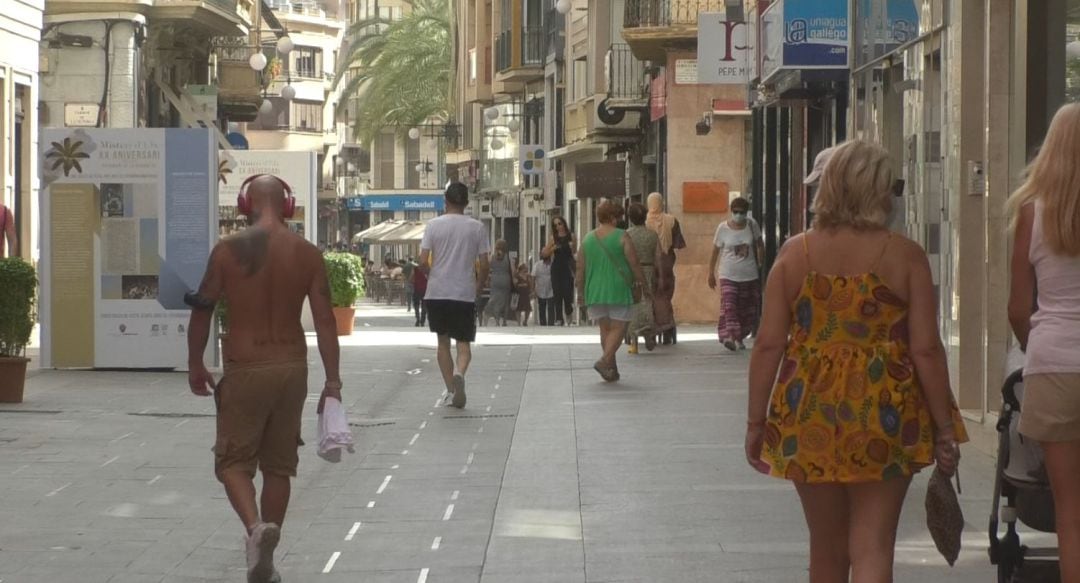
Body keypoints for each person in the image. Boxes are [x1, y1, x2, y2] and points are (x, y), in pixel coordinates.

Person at [745, 140, 967, 582]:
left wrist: (756, 423)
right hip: (885, 411)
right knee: (873, 546)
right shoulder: (904, 256)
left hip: (808, 411)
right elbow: (925, 349)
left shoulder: (794, 255)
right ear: (877, 190)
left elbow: (768, 344)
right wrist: (945, 427)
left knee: (825, 548)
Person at [185, 175, 342, 583]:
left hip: (246, 366)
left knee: (232, 462)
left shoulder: (227, 251)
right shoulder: (307, 253)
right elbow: (326, 323)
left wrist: (195, 363)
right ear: (287, 206)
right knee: (279, 466)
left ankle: (256, 531)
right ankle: (266, 554)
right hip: (292, 367)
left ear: (244, 204)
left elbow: (201, 310)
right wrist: (334, 383)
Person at [1007, 103, 1080, 583]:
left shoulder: (1031, 214)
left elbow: (1018, 307)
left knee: (1069, 510)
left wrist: (1036, 348)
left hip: (1053, 364)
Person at [419, 182, 490, 409]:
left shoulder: (433, 225)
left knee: (442, 343)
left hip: (437, 292)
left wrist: (433, 273)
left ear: (445, 201)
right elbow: (485, 264)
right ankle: (459, 372)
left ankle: (451, 389)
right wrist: (478, 286)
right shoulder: (477, 227)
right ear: (467, 203)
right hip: (463, 293)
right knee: (464, 345)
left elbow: (422, 260)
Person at [576, 201, 649, 382]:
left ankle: (611, 368)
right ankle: (604, 360)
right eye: (618, 217)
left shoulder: (587, 239)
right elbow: (634, 263)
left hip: (594, 290)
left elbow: (580, 269)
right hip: (618, 288)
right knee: (619, 327)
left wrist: (580, 293)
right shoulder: (622, 236)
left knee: (605, 328)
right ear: (612, 218)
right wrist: (644, 284)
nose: (620, 220)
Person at [708, 197, 764, 351]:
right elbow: (715, 251)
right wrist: (710, 273)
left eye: (742, 212)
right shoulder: (722, 228)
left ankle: (739, 337)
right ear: (731, 211)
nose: (738, 215)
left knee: (746, 308)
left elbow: (760, 244)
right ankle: (732, 336)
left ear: (746, 212)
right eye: (735, 212)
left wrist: (760, 260)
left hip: (749, 275)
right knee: (730, 306)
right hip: (727, 274)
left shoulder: (752, 225)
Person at [645, 192, 686, 344]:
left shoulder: (643, 221)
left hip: (649, 266)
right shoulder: (672, 221)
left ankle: (651, 328)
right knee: (665, 297)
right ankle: (667, 327)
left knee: (650, 298)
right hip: (667, 264)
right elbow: (678, 244)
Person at [626, 203, 661, 353]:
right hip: (649, 270)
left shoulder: (627, 234)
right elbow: (658, 256)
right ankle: (649, 333)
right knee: (647, 302)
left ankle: (633, 341)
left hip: (631, 272)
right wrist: (658, 274)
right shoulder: (652, 235)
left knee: (633, 303)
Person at [543, 216, 576, 326]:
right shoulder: (553, 238)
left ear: (564, 224)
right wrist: (553, 248)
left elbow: (573, 252)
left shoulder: (571, 236)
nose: (558, 227)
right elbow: (545, 253)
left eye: (560, 224)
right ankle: (559, 319)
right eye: (555, 225)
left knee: (567, 293)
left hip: (566, 267)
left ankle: (569, 314)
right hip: (556, 268)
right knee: (557, 293)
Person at [484, 240, 513, 327]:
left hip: (495, 280)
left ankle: (496, 320)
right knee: (505, 300)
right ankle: (504, 321)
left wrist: (487, 280)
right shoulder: (508, 257)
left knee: (494, 299)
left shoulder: (492, 257)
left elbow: (487, 268)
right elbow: (513, 270)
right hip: (505, 280)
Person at [532, 254, 556, 326]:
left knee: (551, 307)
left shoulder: (553, 265)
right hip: (540, 290)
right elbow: (533, 277)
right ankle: (543, 323)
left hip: (551, 289)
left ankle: (551, 323)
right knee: (542, 307)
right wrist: (533, 289)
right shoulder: (537, 265)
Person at [411, 259, 428, 327]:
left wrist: (414, 282)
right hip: (425, 290)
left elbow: (411, 278)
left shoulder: (415, 269)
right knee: (424, 305)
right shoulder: (427, 269)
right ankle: (422, 321)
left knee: (416, 305)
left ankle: (418, 319)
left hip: (417, 289)